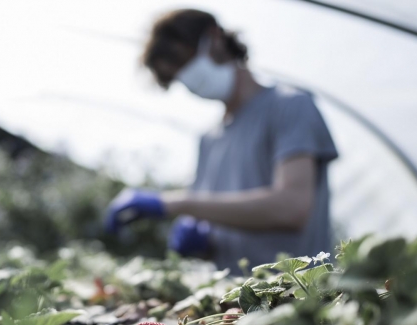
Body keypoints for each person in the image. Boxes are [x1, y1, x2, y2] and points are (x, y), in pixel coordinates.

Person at [105, 9, 338, 273]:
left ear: (214, 38)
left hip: (296, 297)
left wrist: (174, 203)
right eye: (175, 76)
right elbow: (224, 222)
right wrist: (203, 243)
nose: (185, 78)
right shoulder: (208, 140)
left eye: (183, 62)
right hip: (232, 304)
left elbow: (291, 208)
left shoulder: (290, 106)